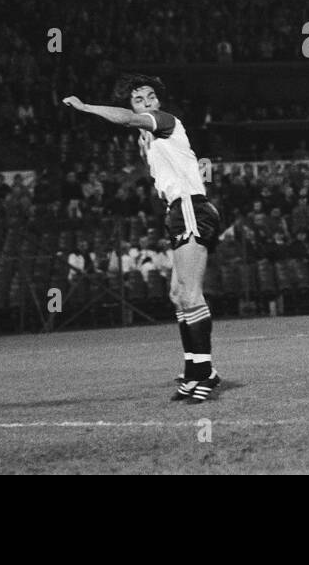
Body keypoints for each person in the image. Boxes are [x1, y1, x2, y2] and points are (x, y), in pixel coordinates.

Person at [64, 74, 224, 403]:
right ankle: (193, 369)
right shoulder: (145, 141)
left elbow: (127, 120)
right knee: (177, 294)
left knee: (191, 294)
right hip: (177, 212)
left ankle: (206, 373)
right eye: (140, 99)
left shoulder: (163, 121)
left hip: (191, 208)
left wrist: (86, 107)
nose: (147, 101)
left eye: (150, 96)